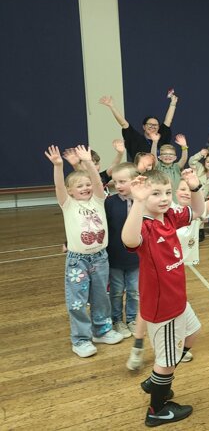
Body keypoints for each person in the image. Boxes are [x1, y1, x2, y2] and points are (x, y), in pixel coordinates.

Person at [121, 169, 205, 426]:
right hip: (164, 306)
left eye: (167, 192)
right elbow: (129, 239)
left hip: (178, 299)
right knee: (167, 361)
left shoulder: (169, 216)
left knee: (193, 333)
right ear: (143, 197)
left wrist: (195, 187)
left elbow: (198, 211)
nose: (165, 198)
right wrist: (138, 201)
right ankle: (157, 410)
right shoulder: (144, 226)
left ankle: (156, 381)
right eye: (156, 194)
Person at [45, 144, 124, 357]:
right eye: (79, 186)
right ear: (70, 191)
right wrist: (58, 166)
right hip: (77, 261)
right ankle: (80, 339)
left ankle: (102, 330)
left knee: (101, 297)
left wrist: (88, 162)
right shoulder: (68, 204)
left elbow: (98, 182)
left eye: (87, 184)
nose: (85, 187)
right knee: (77, 302)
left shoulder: (98, 200)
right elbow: (59, 186)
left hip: (100, 258)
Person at [105, 162, 141, 340]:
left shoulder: (143, 202)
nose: (117, 185)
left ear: (135, 180)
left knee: (134, 291)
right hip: (115, 257)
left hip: (137, 258)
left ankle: (132, 319)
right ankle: (117, 320)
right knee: (117, 291)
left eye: (122, 181)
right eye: (115, 182)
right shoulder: (110, 202)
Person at [99, 94, 178, 161]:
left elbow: (168, 121)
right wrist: (112, 106)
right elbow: (123, 123)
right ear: (144, 127)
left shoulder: (162, 138)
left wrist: (173, 104)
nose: (152, 127)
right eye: (149, 124)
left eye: (155, 125)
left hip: (160, 173)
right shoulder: (136, 139)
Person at [152, 134, 189, 202]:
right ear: (160, 157)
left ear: (175, 158)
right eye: (164, 154)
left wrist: (184, 146)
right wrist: (155, 142)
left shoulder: (176, 167)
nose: (168, 156)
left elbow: (184, 159)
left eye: (171, 154)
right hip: (162, 199)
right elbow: (153, 156)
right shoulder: (158, 166)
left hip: (176, 200)